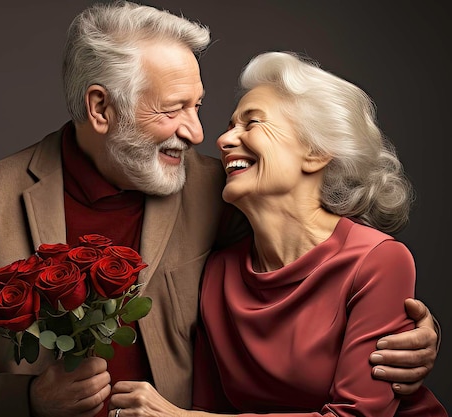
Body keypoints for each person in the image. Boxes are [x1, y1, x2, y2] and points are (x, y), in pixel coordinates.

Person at [0, 3, 440, 417]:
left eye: (198, 105)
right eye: (173, 108)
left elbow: (316, 257)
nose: (200, 133)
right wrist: (33, 399)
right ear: (101, 108)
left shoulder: (218, 192)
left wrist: (405, 334)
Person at [107, 51, 447, 416]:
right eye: (230, 125)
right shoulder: (220, 271)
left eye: (251, 123)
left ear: (315, 153)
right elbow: (209, 406)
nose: (222, 140)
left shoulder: (377, 261)